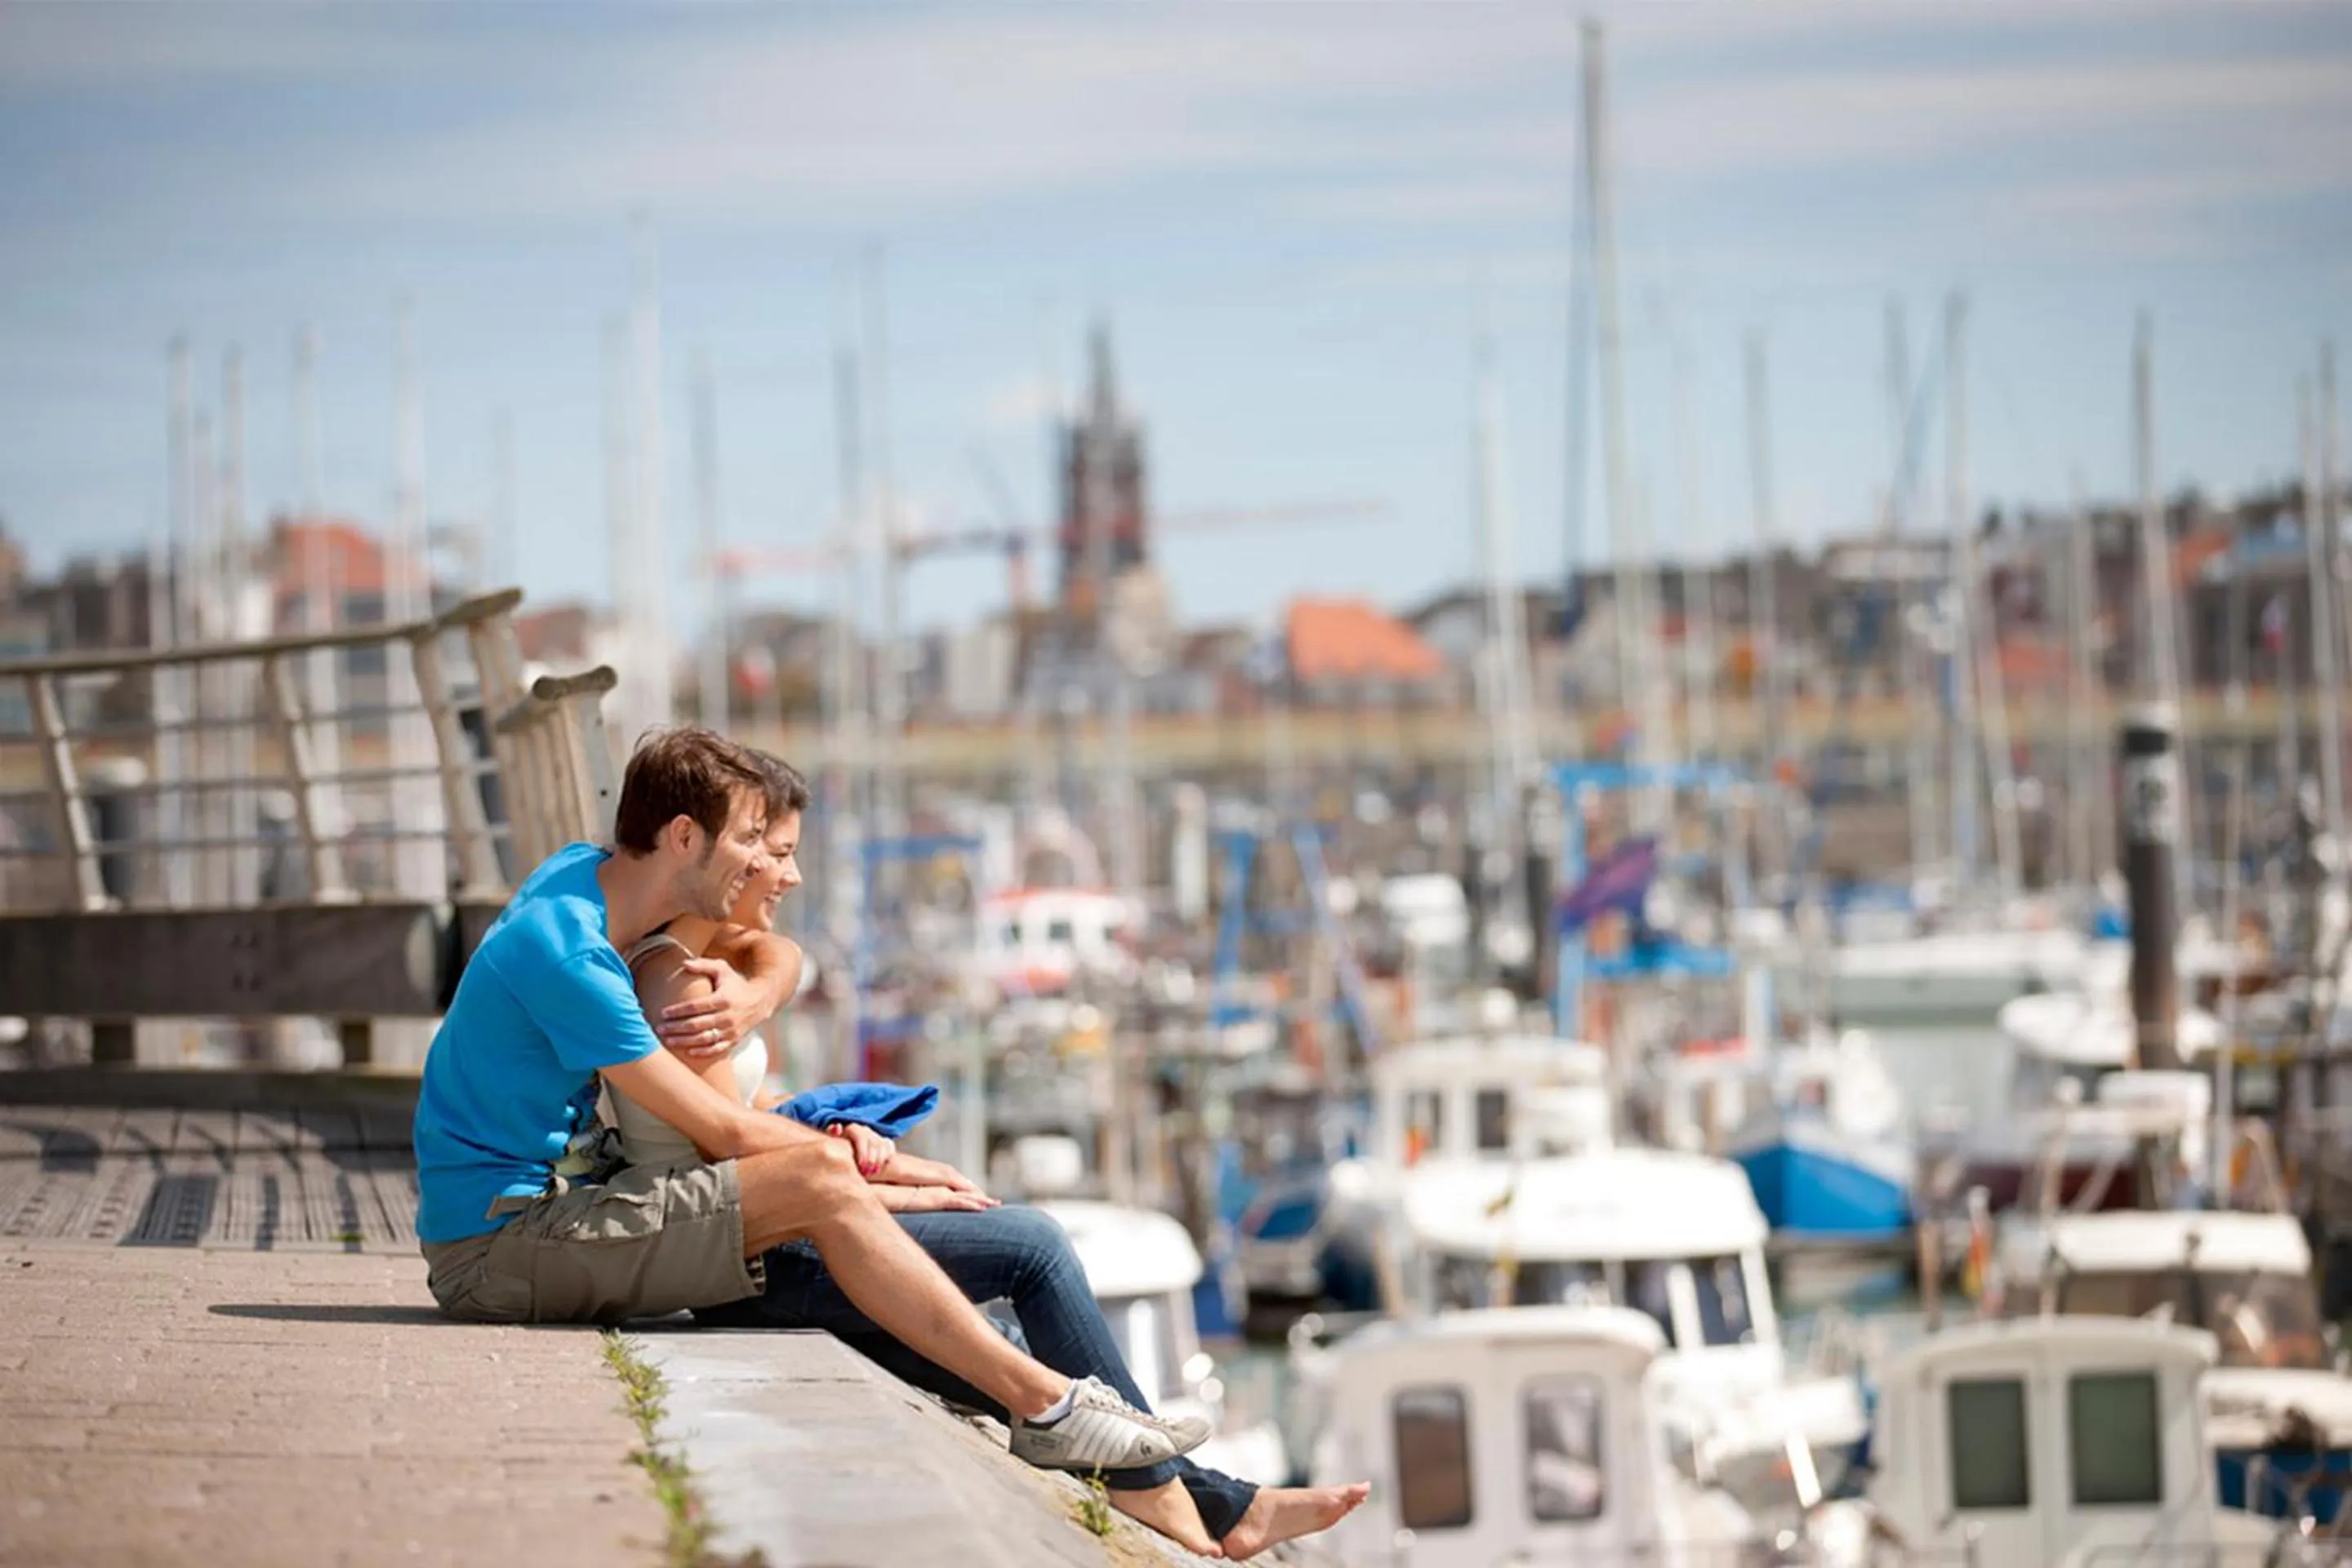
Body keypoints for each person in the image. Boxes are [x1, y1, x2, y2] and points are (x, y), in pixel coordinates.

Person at [614, 751, 1369, 1560]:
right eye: (773, 850)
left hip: (759, 1237)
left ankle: (1218, 1503)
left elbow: (739, 1105)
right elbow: (729, 1154)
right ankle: (1153, 1490)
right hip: (751, 1256)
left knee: (1006, 1341)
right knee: (1029, 1247)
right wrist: (899, 1190)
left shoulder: (713, 967)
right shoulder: (684, 986)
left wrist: (831, 1129)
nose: (789, 875)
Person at [412, 726, 1209, 1486]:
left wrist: (767, 984)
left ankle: (1089, 1430)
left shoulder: (581, 875)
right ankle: (1050, 1407)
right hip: (501, 1250)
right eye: (749, 840)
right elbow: (721, 1130)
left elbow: (767, 950)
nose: (764, 862)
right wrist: (906, 1179)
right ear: (684, 837)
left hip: (547, 1214)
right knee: (827, 1180)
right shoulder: (573, 959)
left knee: (859, 1208)